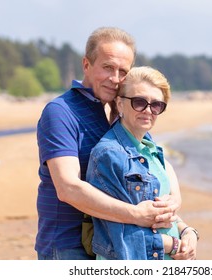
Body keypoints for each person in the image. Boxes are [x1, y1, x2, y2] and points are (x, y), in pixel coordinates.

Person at [35, 27, 180, 260]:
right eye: (107, 67)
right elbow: (68, 188)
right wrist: (136, 214)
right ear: (86, 65)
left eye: (123, 71)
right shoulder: (61, 112)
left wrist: (174, 204)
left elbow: (157, 161)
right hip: (67, 246)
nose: (115, 79)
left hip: (112, 244)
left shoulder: (121, 110)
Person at [86, 66, 199, 260]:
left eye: (156, 105)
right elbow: (118, 234)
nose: (148, 111)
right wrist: (174, 245)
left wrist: (187, 232)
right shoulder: (109, 155)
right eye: (139, 102)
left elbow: (161, 214)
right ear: (120, 103)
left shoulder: (151, 149)